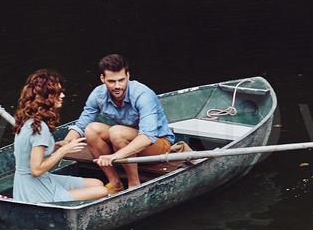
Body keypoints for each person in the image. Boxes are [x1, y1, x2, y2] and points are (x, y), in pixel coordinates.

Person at [61, 54, 186, 192]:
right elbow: (80, 126)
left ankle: (134, 183)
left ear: (128, 75)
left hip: (157, 145)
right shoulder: (98, 94)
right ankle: (115, 183)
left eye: (121, 80)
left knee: (116, 132)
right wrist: (65, 145)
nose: (117, 86)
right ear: (102, 79)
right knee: (91, 129)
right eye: (111, 81)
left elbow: (147, 137)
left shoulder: (143, 95)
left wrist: (115, 156)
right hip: (123, 141)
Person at [12, 70, 111, 203]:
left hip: (27, 183)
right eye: (58, 93)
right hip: (34, 190)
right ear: (47, 97)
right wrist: (64, 150)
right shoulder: (40, 128)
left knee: (96, 183)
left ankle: (68, 197)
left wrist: (58, 146)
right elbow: (36, 170)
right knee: (103, 191)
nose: (63, 95)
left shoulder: (27, 120)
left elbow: (31, 152)